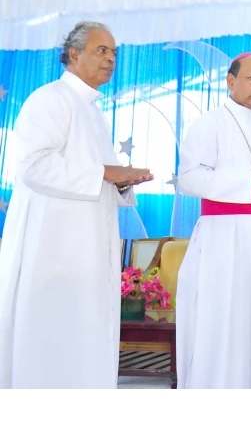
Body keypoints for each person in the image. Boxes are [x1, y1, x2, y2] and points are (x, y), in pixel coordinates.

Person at [0, 22, 153, 389]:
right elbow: (34, 166)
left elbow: (99, 175)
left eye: (114, 53)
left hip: (89, 247)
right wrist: (107, 173)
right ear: (74, 54)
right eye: (102, 50)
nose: (111, 59)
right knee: (52, 334)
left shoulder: (93, 111)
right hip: (54, 248)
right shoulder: (49, 99)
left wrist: (121, 180)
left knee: (86, 331)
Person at [176, 52, 251, 389]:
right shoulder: (208, 123)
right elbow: (189, 179)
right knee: (221, 319)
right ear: (230, 81)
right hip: (222, 240)